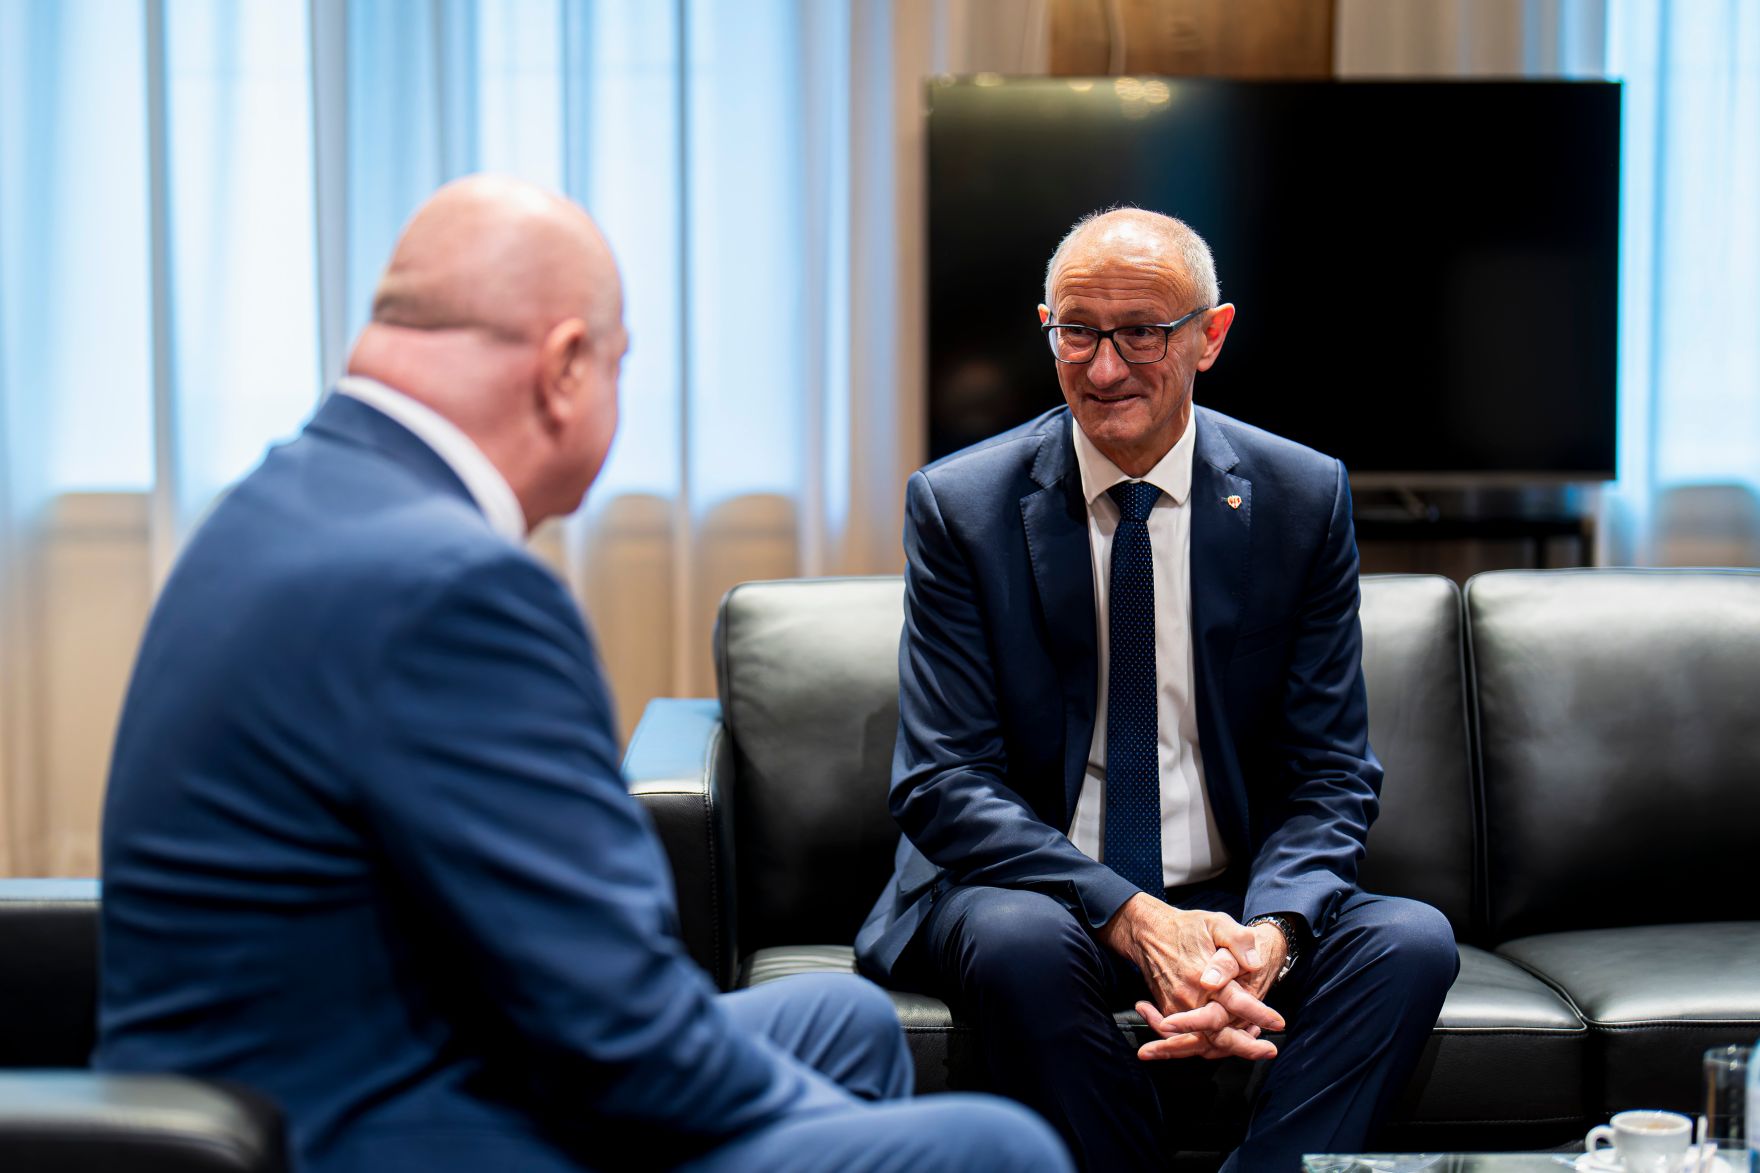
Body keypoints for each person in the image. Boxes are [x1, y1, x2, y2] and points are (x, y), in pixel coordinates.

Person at [95, 175, 1069, 1173]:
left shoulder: (288, 498)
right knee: (994, 1147)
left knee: (844, 1020)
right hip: (376, 1126)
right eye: (618, 363)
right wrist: (822, 1131)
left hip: (313, 1066)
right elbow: (625, 1044)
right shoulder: (453, 585)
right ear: (565, 366)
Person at [855, 207, 1458, 1171]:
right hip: (1046, 890)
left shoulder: (1300, 496)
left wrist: (1270, 930)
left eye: (1142, 332)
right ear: (1046, 325)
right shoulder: (960, 506)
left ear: (1210, 335)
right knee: (1014, 940)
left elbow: (1331, 769)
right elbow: (941, 778)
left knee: (1412, 940)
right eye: (1078, 332)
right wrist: (1132, 916)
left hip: (1230, 892)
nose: (1103, 368)